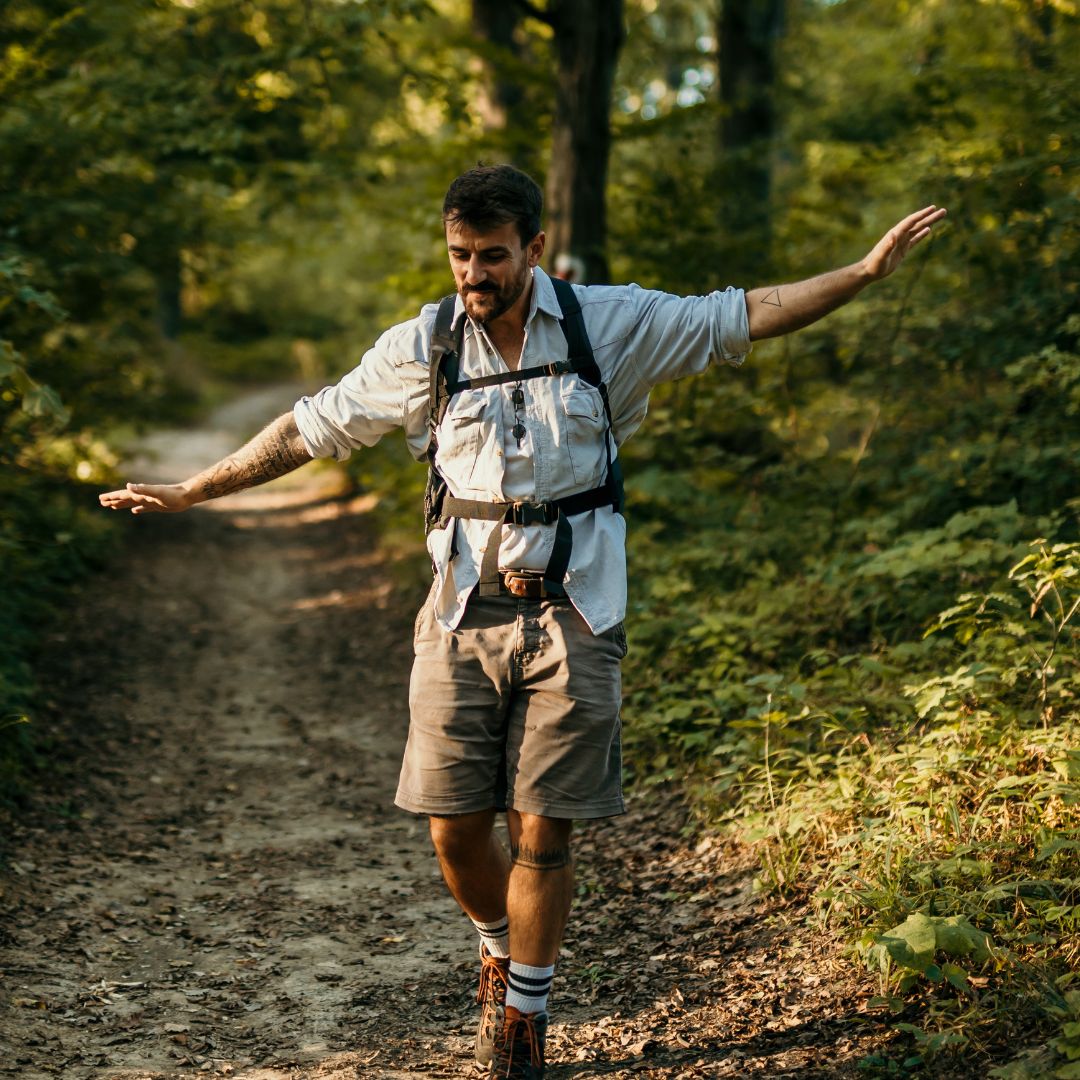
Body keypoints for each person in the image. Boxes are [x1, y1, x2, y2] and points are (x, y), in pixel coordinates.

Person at [100, 165, 946, 1078]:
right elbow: (312, 429)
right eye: (460, 255)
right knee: (453, 825)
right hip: (460, 612)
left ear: (533, 249)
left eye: (492, 256)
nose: (474, 274)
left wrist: (859, 275)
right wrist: (194, 489)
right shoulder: (422, 346)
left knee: (543, 830)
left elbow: (739, 314)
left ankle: (523, 1032)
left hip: (577, 612)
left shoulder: (607, 322)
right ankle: (499, 948)